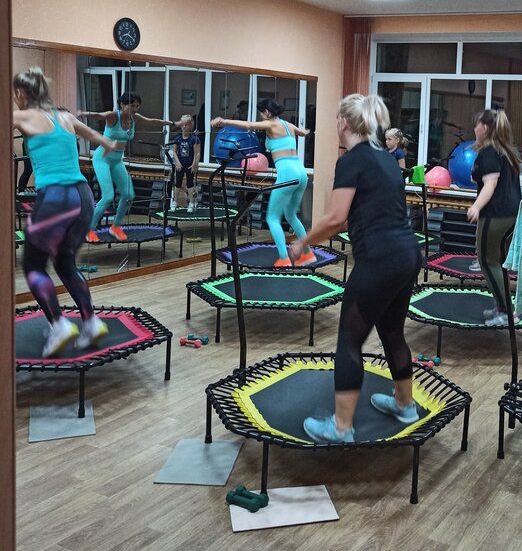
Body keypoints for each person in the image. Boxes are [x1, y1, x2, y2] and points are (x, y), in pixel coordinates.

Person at [287, 94, 422, 443]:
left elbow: (336, 218)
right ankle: (405, 405)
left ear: (344, 123)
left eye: (336, 119)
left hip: (380, 258)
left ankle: (341, 428)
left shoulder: (351, 161)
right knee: (392, 332)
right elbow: (365, 213)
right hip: (407, 253)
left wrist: (303, 242)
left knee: (349, 340)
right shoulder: (387, 159)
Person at [13, 67, 120, 356]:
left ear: (20, 93)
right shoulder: (66, 117)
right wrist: (108, 143)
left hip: (56, 198)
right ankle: (91, 323)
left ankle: (59, 325)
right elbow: (100, 138)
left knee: (34, 266)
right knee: (65, 262)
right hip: (83, 197)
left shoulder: (22, 116)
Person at [212, 97, 313, 267]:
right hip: (301, 173)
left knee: (272, 218)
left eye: (261, 112)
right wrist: (306, 131)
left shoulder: (271, 124)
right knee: (290, 215)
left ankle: (284, 259)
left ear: (267, 112)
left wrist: (224, 121)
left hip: (287, 173)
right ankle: (307, 254)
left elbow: (248, 125)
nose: (260, 116)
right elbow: (302, 133)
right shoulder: (288, 125)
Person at [80, 93, 175, 242]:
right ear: (123, 105)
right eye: (132, 106)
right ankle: (90, 229)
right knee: (108, 197)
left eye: (137, 106)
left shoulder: (134, 118)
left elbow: (152, 122)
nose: (135, 109)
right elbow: (99, 115)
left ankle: (115, 227)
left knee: (129, 195)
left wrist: (173, 123)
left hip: (117, 160)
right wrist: (81, 113)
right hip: (102, 159)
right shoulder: (113, 116)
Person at [467, 108, 522, 328]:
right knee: (498, 262)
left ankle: (507, 313)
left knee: (487, 261)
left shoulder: (489, 152)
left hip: (496, 214)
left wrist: (476, 206)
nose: (474, 129)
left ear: (484, 128)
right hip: (511, 214)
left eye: (476, 125)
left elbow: (490, 184)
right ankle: (502, 307)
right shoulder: (506, 151)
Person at [170, 114, 201, 212]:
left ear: (190, 126)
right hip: (180, 164)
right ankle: (174, 202)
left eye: (186, 125)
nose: (184, 127)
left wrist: (195, 164)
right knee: (178, 183)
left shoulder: (194, 139)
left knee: (190, 183)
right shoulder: (178, 138)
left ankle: (191, 203)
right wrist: (177, 162)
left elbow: (197, 153)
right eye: (182, 125)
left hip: (190, 164)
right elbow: (174, 152)